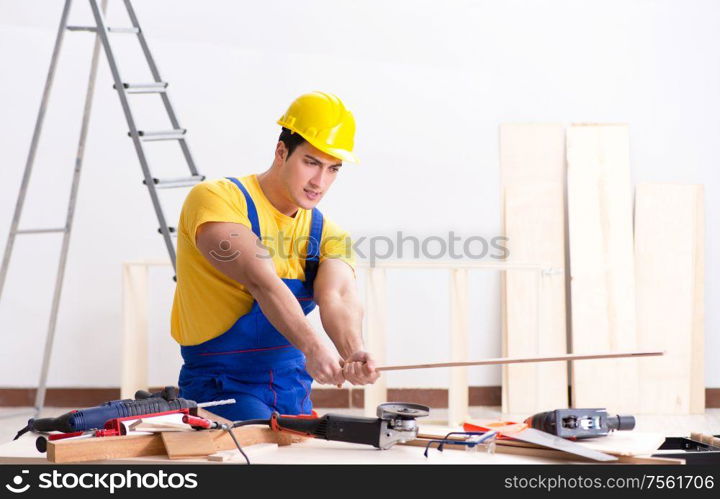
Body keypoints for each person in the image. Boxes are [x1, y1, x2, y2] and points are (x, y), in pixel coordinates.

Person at [171, 91, 379, 420]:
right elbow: (261, 281)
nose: (319, 182)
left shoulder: (329, 234)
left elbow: (337, 296)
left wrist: (353, 352)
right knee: (257, 451)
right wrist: (314, 347)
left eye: (332, 169)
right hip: (220, 387)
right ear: (282, 152)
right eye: (311, 162)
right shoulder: (217, 200)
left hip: (292, 387)